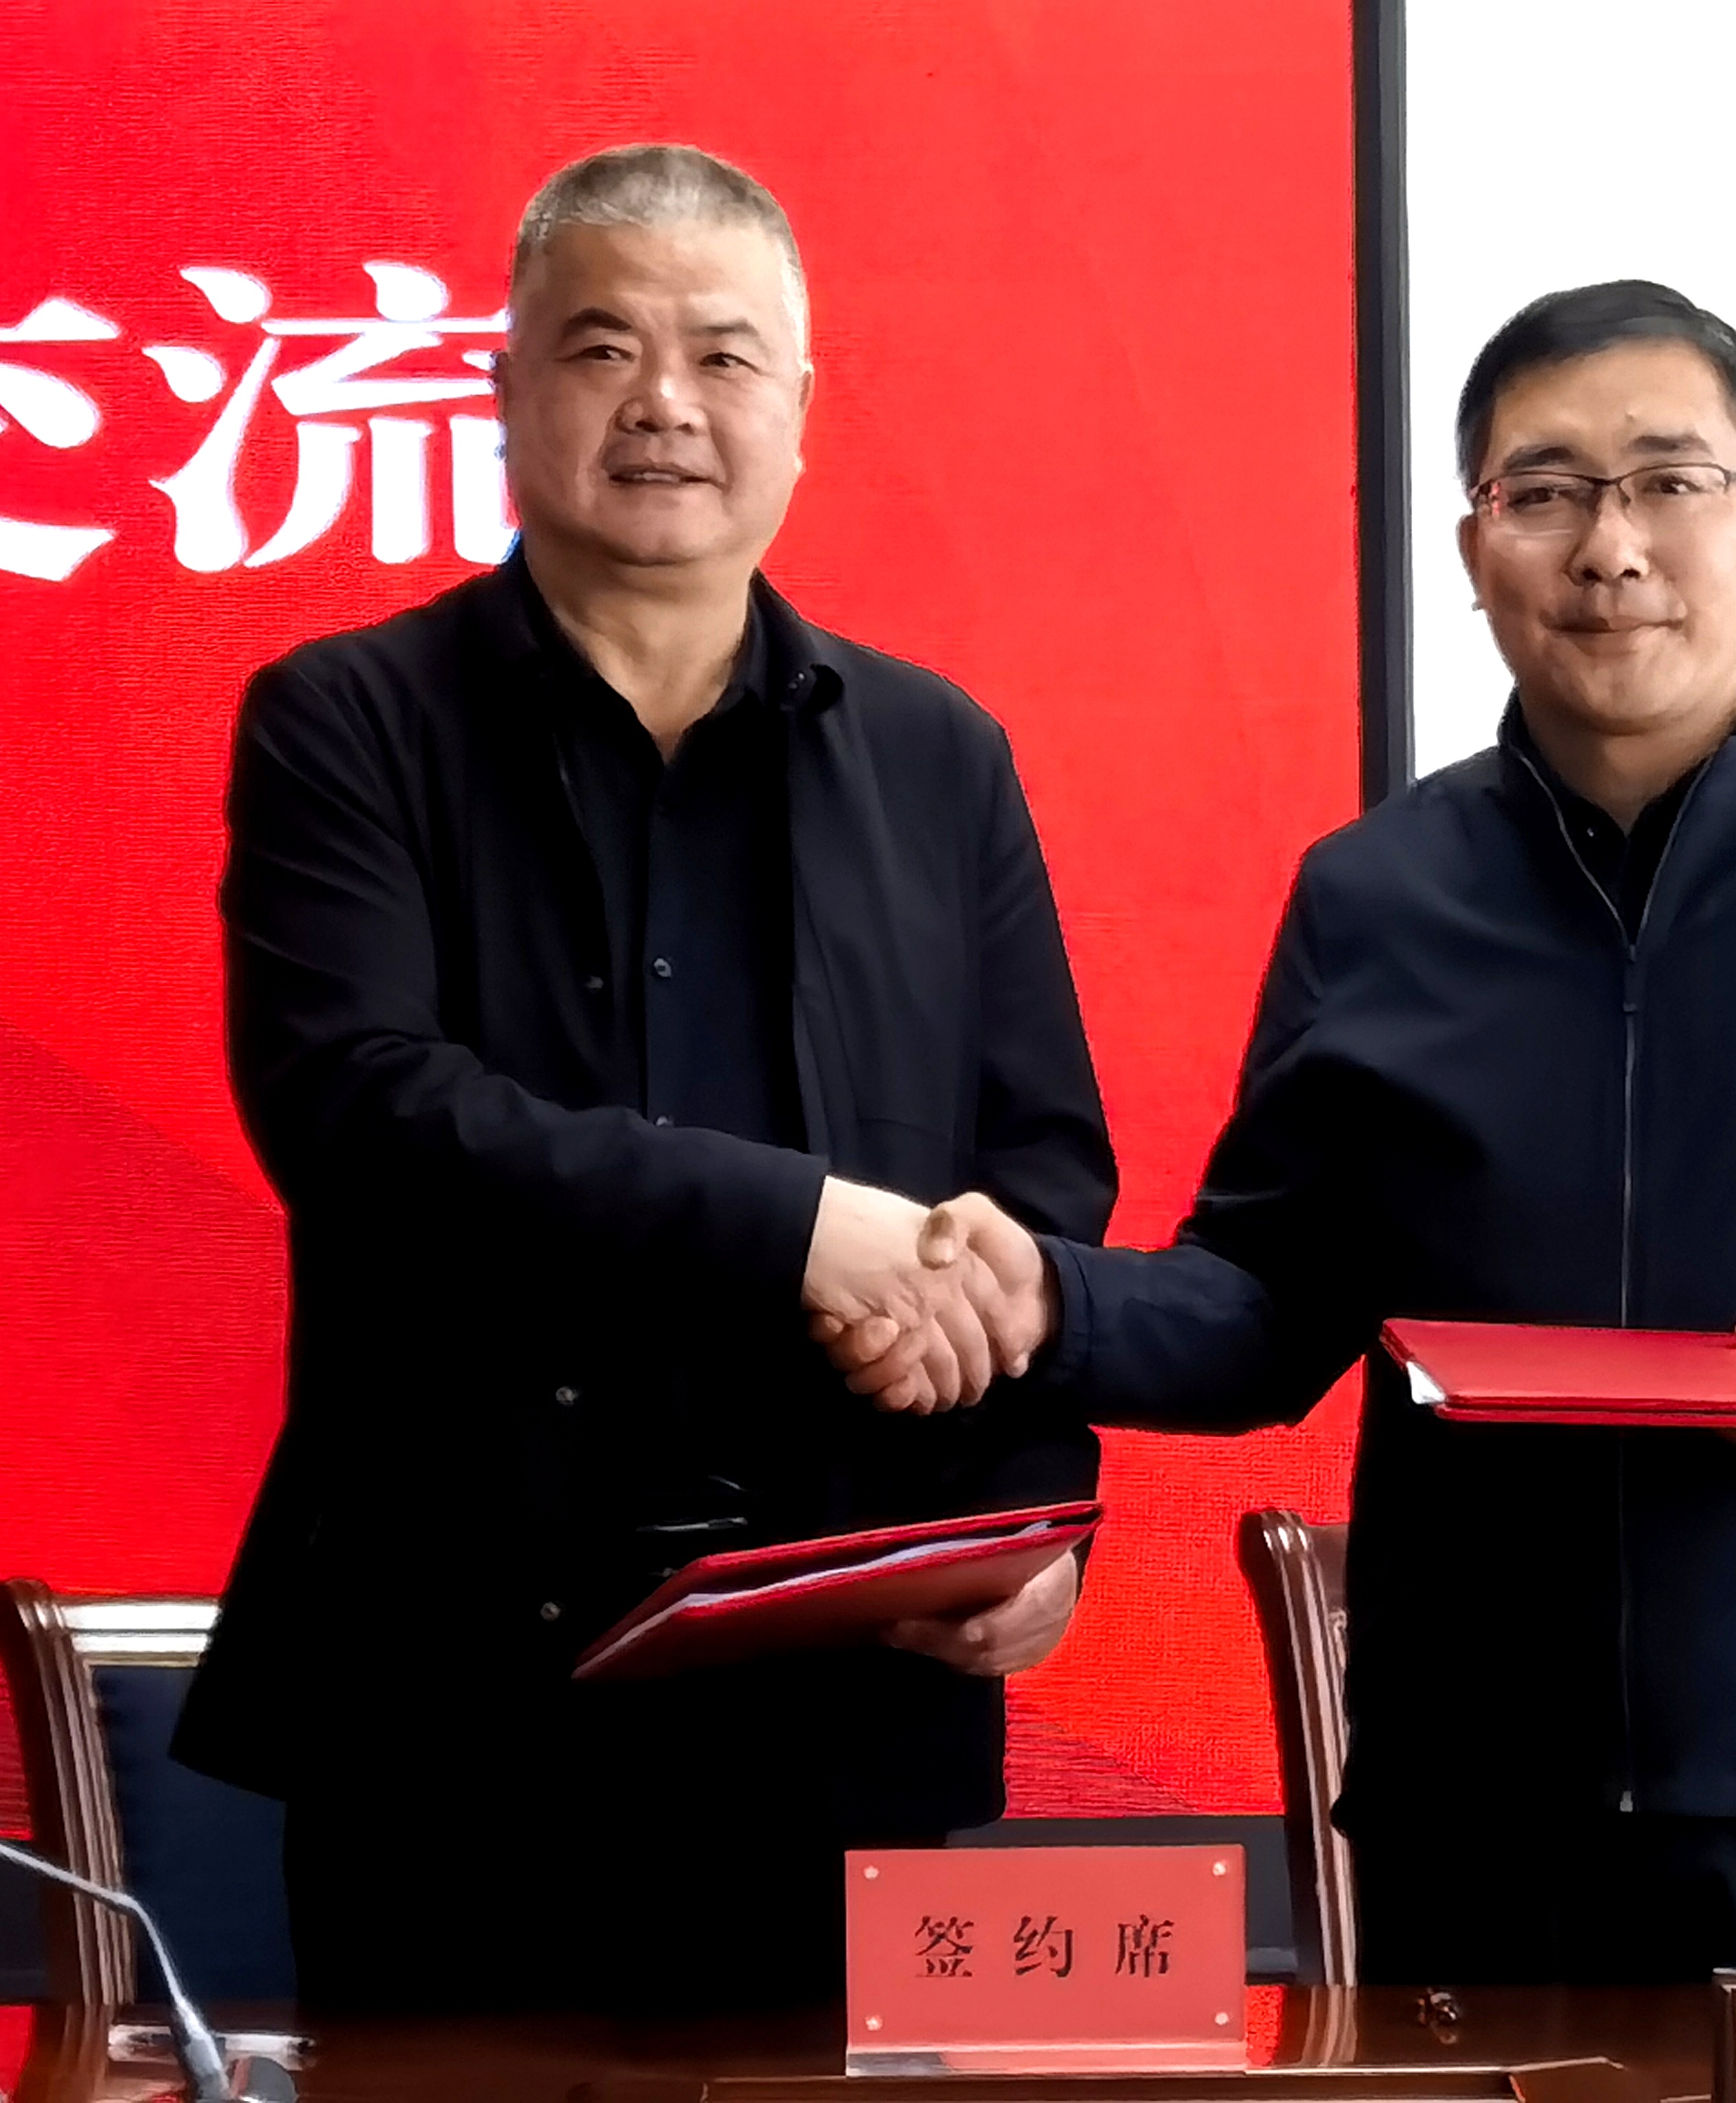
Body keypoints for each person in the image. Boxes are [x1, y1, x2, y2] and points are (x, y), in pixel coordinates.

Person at [841, 281, 1736, 1985]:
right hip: (1474, 1801)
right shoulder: (1374, 892)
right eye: (1542, 492)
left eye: (1667, 482)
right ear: (1474, 551)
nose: (1608, 547)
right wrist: (1050, 1300)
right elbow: (1268, 1302)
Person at [173, 144, 1113, 2011]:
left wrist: (1028, 1518)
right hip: (453, 1716)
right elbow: (362, 1112)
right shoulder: (348, 721)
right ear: (504, 388)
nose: (666, 402)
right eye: (602, 348)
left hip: (847, 1711)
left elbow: (1040, 1184)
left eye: (723, 355)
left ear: (801, 410)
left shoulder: (941, 755)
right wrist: (808, 1230)